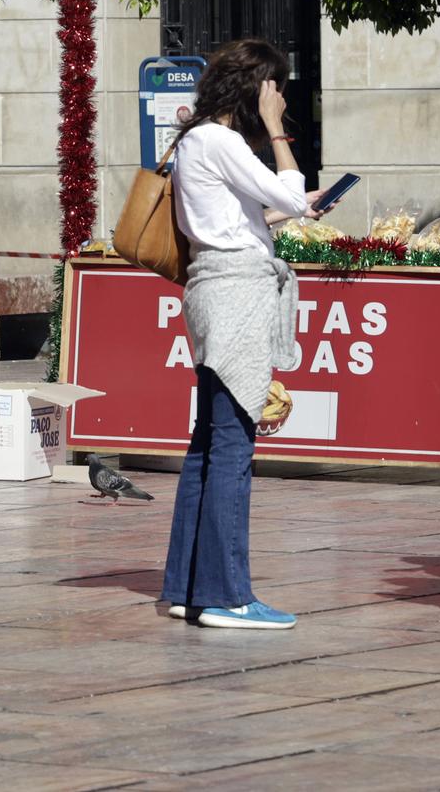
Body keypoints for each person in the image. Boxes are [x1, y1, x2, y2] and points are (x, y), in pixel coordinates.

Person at [160, 38, 328, 632]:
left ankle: (188, 585)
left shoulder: (196, 140)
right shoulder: (221, 139)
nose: (279, 97)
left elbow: (245, 215)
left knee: (209, 441)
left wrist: (291, 207)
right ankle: (227, 595)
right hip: (236, 293)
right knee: (233, 444)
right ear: (255, 89)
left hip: (214, 285)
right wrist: (280, 131)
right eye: (274, 87)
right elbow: (283, 190)